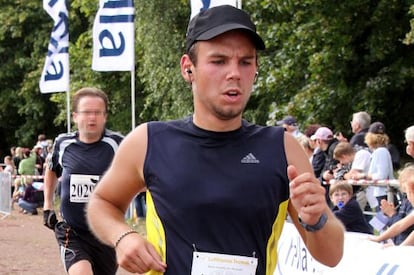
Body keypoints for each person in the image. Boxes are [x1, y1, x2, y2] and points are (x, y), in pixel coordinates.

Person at [86, 5, 344, 274]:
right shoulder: (149, 141)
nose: (234, 73)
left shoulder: (283, 147)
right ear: (188, 68)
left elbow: (331, 255)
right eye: (219, 61)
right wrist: (123, 236)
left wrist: (316, 220)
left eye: (245, 62)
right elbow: (101, 203)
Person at [42, 87, 124, 275]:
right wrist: (47, 205)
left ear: (105, 116)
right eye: (87, 112)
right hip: (73, 231)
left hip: (106, 233)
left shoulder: (118, 143)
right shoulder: (62, 143)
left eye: (97, 112)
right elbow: (51, 169)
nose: (92, 118)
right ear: (75, 116)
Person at [368, 164, 414, 246]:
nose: (407, 196)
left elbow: (404, 228)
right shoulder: (405, 202)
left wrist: (392, 214)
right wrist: (378, 238)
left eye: (407, 192)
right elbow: (400, 225)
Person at [359, 122, 394, 211]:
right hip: (381, 193)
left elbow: (381, 176)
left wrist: (364, 176)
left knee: (381, 223)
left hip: (382, 193)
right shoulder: (381, 151)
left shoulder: (380, 152)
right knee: (379, 222)